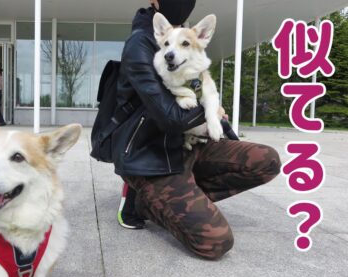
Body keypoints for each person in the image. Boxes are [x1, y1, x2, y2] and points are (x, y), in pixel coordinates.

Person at [113, 0, 281, 259]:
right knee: (215, 242)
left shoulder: (190, 37)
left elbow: (203, 85)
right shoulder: (140, 44)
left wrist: (214, 109)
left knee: (266, 160)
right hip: (151, 155)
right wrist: (206, 109)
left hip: (190, 145)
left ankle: (180, 197)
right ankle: (144, 201)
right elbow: (170, 118)